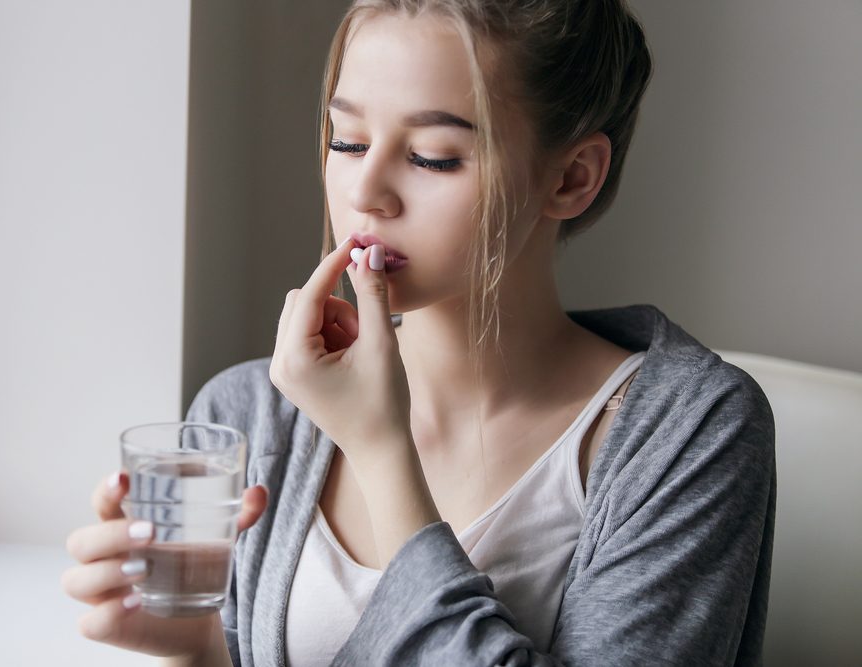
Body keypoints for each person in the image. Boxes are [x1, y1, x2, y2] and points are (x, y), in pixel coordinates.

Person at [63, 1, 776, 665]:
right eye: (347, 140)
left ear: (571, 177)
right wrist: (199, 651)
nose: (365, 191)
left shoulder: (692, 432)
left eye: (433, 155)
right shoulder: (247, 415)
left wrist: (381, 452)